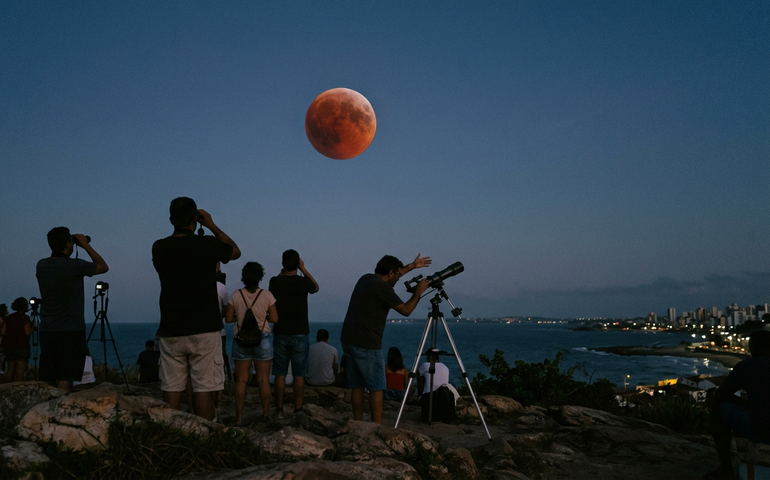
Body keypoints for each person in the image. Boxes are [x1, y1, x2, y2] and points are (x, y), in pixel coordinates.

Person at [152, 197, 241, 421]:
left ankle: (167, 436)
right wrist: (210, 224)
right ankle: (204, 438)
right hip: (205, 327)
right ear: (195, 219)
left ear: (171, 219)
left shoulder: (159, 247)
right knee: (203, 390)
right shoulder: (208, 244)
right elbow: (234, 252)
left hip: (171, 327)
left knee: (171, 389)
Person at [339, 254, 431, 424]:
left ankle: (358, 424)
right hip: (367, 342)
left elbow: (395, 273)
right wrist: (418, 292)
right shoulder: (382, 288)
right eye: (396, 275)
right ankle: (376, 427)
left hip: (349, 338)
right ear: (390, 273)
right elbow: (406, 310)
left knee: (357, 384)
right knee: (377, 386)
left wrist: (412, 266)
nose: (398, 278)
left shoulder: (366, 278)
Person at [36, 227, 108, 393]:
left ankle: (45, 412)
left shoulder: (41, 265)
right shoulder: (74, 266)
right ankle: (61, 410)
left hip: (47, 329)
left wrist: (72, 243)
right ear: (69, 244)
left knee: (49, 375)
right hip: (71, 329)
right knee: (65, 375)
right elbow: (103, 267)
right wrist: (85, 245)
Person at [707, 329, 770, 480]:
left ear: (752, 349)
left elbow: (721, 396)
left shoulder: (747, 366)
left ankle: (726, 470)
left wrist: (747, 404)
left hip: (763, 430)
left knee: (717, 408)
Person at [225, 262, 278, 424]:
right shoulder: (267, 295)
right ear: (260, 277)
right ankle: (266, 415)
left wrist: (239, 319)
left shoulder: (236, 295)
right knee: (263, 379)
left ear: (244, 276)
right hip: (263, 339)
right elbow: (275, 319)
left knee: (241, 380)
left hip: (241, 340)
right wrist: (262, 318)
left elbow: (228, 319)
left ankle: (239, 418)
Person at [268, 250, 319, 414]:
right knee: (299, 374)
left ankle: (279, 407)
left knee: (280, 373)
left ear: (283, 264)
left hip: (281, 331)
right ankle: (298, 408)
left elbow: (273, 288)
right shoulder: (303, 282)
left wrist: (283, 270)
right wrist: (303, 269)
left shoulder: (275, 281)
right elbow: (316, 287)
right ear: (297, 263)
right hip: (300, 331)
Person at [417, 348, 457, 423]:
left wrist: (419, 397)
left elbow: (420, 384)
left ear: (429, 356)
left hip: (429, 397)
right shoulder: (445, 367)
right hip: (444, 396)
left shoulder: (424, 365)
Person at [0, 298, 33, 383]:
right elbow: (27, 332)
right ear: (24, 306)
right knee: (20, 372)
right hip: (22, 347)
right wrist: (33, 327)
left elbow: (4, 332)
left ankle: (5, 389)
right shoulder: (25, 318)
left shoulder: (9, 318)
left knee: (10, 370)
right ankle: (18, 390)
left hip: (10, 347)